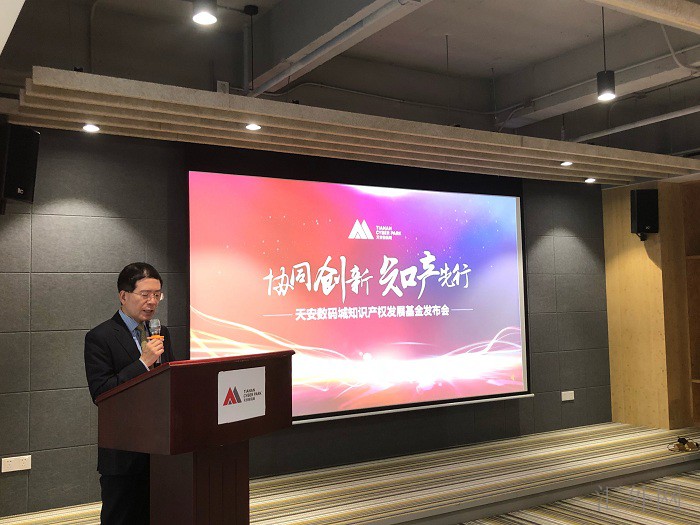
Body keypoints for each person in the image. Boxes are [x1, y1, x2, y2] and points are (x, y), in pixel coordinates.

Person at [84, 262, 175, 525]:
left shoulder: (161, 332)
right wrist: (142, 363)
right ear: (123, 296)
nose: (152, 302)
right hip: (123, 451)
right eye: (145, 294)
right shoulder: (100, 337)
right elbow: (101, 393)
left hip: (160, 448)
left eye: (157, 295)